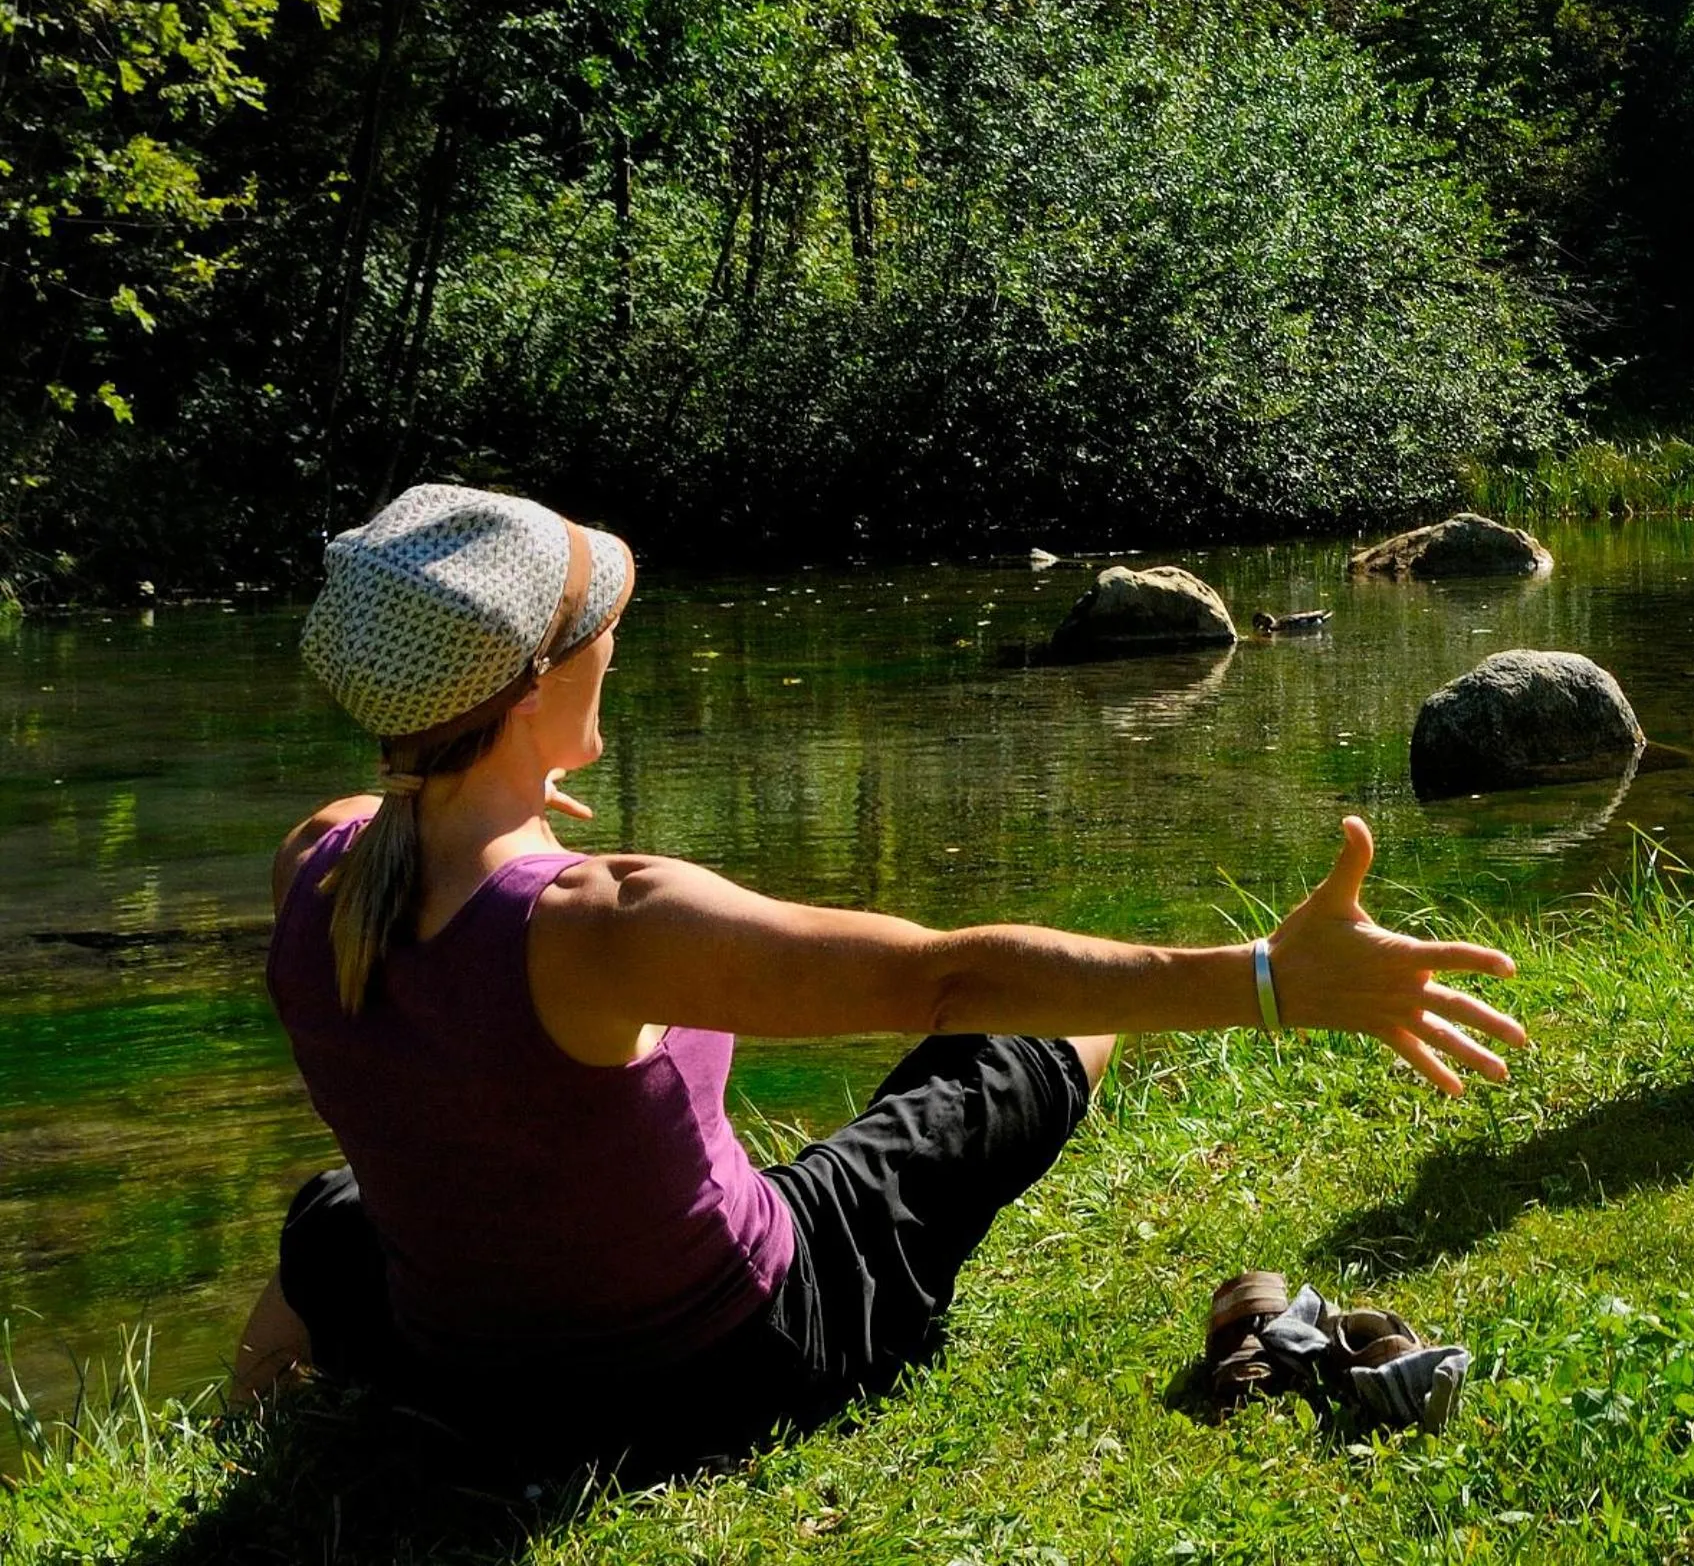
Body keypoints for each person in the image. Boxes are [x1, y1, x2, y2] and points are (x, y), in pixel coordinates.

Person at [235, 483, 1528, 1472]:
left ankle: (253, 1420)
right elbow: (951, 980)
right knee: (1021, 1051)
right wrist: (1264, 980)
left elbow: (447, 972)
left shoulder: (320, 861)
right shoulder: (604, 919)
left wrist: (511, 798)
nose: (617, 642)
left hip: (463, 1370)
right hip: (715, 1369)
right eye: (604, 627)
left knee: (333, 1216)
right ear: (532, 689)